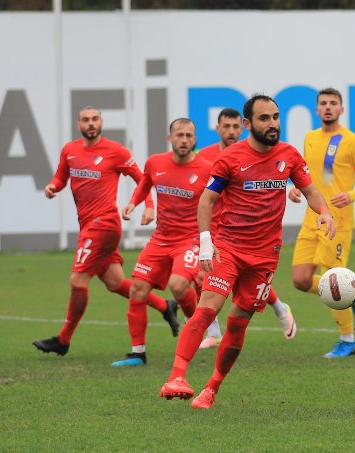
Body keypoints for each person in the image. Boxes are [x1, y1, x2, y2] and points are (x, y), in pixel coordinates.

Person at [158, 94, 334, 409]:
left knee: (239, 322)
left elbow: (310, 190)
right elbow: (206, 200)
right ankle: (177, 377)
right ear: (248, 124)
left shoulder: (289, 155)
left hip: (265, 255)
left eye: (276, 117)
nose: (273, 124)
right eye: (264, 118)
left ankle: (211, 389)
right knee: (208, 308)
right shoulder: (231, 158)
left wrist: (324, 212)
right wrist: (206, 242)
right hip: (229, 248)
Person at [33, 107, 180, 356]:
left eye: (95, 119)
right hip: (89, 225)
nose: (91, 123)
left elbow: (143, 178)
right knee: (115, 282)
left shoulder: (116, 151)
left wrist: (149, 205)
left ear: (101, 122)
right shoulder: (70, 150)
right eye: (86, 120)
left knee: (77, 281)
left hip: (103, 224)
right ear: (79, 124)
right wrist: (52, 187)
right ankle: (165, 306)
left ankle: (63, 340)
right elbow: (61, 178)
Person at [287, 87, 355, 358]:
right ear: (317, 109)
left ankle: (348, 340)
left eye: (333, 103)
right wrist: (297, 188)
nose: (328, 107)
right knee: (300, 280)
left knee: (333, 280)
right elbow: (307, 173)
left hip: (337, 222)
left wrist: (351, 195)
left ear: (341, 109)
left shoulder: (352, 141)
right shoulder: (310, 138)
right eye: (323, 103)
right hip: (311, 219)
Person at [112, 118, 212, 366]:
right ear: (170, 138)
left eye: (189, 135)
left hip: (189, 239)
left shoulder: (206, 169)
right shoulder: (155, 162)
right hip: (161, 238)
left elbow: (217, 205)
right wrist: (134, 203)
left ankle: (193, 323)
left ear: (195, 139)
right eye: (179, 135)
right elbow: (145, 184)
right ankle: (138, 354)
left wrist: (210, 240)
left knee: (178, 286)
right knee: (137, 289)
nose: (184, 140)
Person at [195, 107, 297, 349]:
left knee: (236, 279)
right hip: (213, 226)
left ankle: (279, 308)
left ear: (243, 127)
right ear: (217, 129)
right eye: (226, 127)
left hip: (240, 231)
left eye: (235, 127)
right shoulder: (205, 156)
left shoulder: (250, 154)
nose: (231, 132)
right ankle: (214, 331)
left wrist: (294, 189)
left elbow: (280, 176)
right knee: (201, 276)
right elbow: (203, 193)